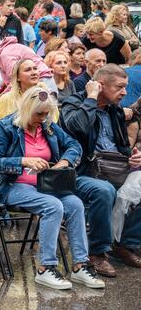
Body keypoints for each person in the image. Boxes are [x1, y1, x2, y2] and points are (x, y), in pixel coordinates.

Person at [0, 87, 104, 290]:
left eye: (47, 113)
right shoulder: (6, 127)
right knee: (52, 206)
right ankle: (45, 268)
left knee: (75, 204)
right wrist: (23, 160)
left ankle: (80, 265)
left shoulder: (47, 126)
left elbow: (74, 145)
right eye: (39, 113)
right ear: (27, 108)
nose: (43, 117)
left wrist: (64, 162)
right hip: (12, 185)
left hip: (44, 184)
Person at [60, 65, 141, 276]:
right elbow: (78, 127)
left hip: (114, 168)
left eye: (125, 87)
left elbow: (120, 146)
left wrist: (132, 155)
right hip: (80, 172)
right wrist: (91, 98)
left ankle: (124, 244)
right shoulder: (72, 103)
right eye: (120, 87)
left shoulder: (114, 110)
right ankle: (97, 253)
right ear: (100, 85)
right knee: (103, 190)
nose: (124, 92)